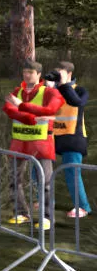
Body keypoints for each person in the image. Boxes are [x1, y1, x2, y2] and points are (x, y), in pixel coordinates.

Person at [2, 61, 63, 227]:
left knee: (46, 181)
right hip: (19, 141)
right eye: (24, 72)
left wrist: (21, 106)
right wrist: (31, 118)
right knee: (14, 179)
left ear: (39, 74)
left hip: (41, 142)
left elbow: (50, 110)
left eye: (30, 72)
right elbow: (9, 110)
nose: (26, 75)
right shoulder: (17, 91)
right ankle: (21, 213)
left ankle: (47, 217)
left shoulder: (49, 92)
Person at [51, 61, 89, 218]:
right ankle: (44, 201)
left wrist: (63, 85)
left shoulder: (80, 90)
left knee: (72, 172)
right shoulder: (52, 91)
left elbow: (76, 102)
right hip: (52, 137)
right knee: (38, 169)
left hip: (73, 138)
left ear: (69, 74)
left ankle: (82, 207)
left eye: (60, 73)